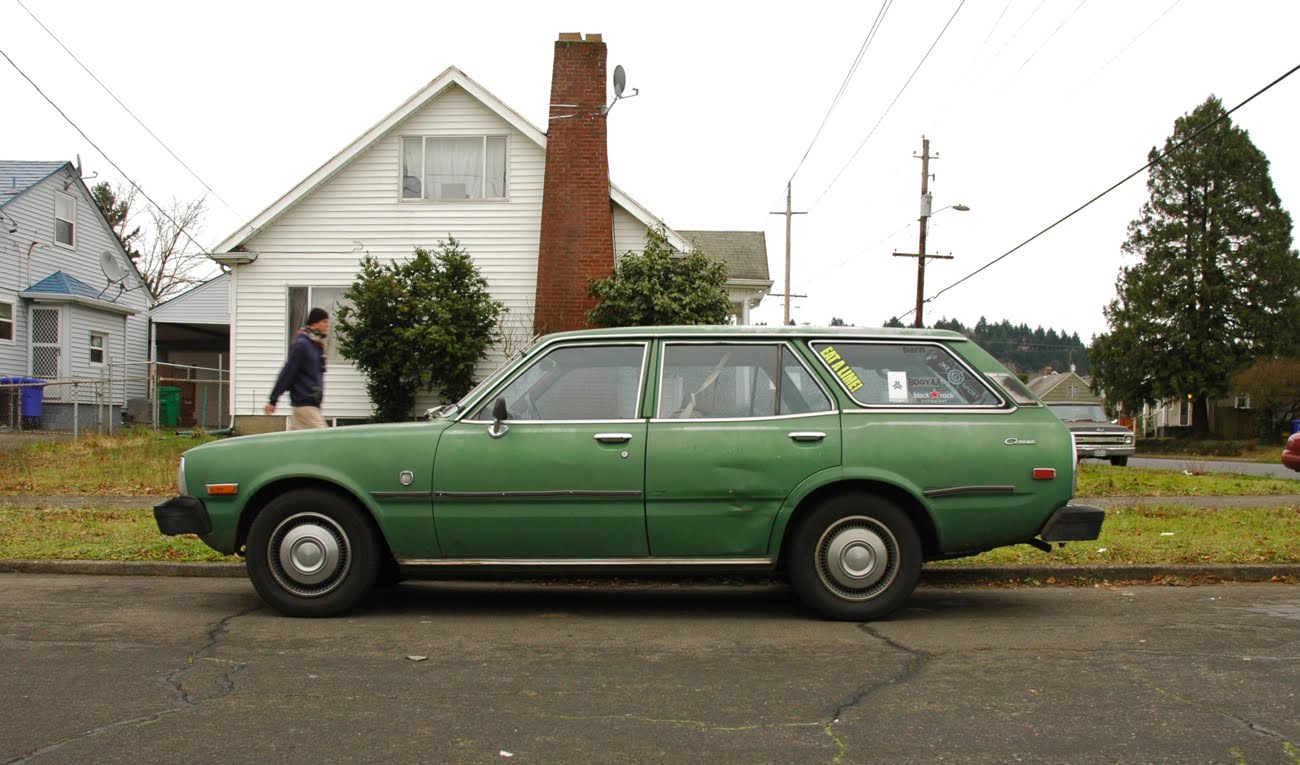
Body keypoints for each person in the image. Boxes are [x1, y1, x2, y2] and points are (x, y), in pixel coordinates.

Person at [264, 307, 329, 429]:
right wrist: (273, 399)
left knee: (298, 442)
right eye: (324, 322)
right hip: (305, 403)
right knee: (324, 439)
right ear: (314, 323)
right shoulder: (302, 345)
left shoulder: (316, 346)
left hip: (310, 404)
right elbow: (288, 373)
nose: (327, 326)